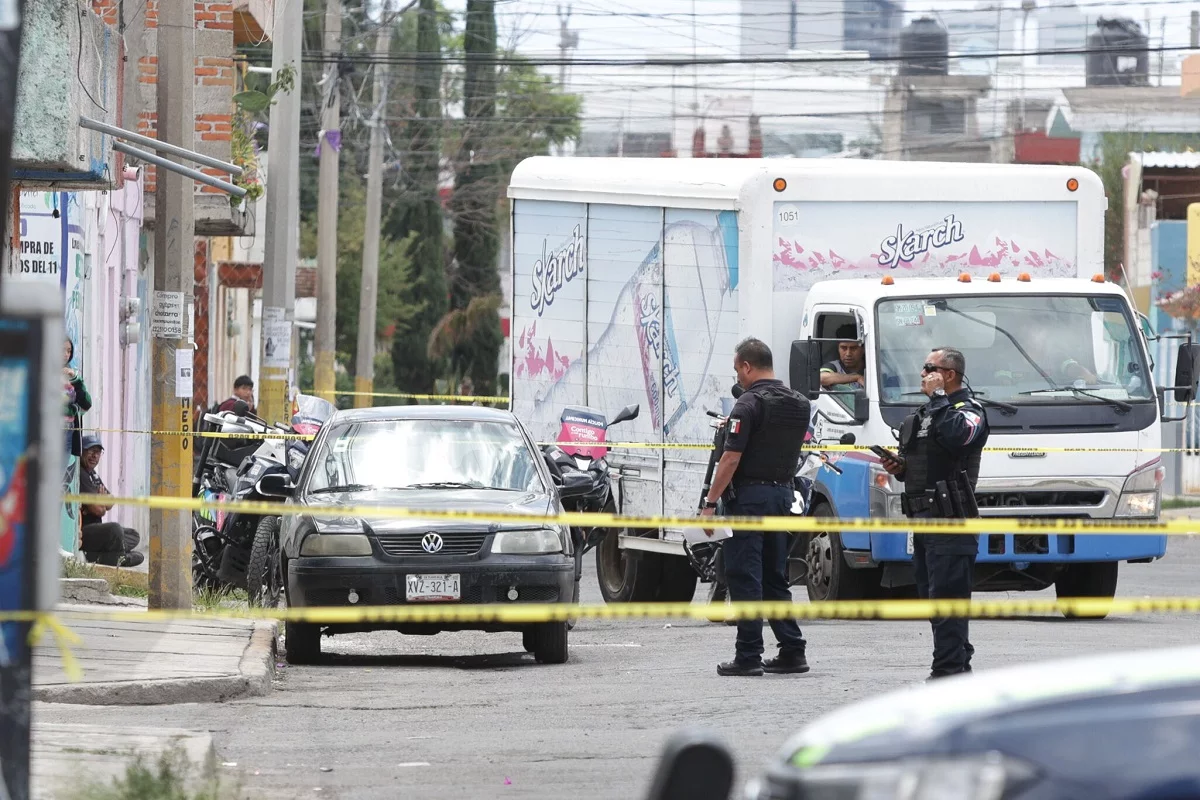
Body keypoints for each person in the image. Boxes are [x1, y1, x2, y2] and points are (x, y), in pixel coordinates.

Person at [701, 337, 811, 677]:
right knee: (774, 577)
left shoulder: (748, 403)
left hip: (749, 500)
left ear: (747, 366)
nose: (737, 377)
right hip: (782, 496)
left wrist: (709, 503)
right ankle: (792, 650)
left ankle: (748, 655)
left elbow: (731, 459)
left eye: (738, 370)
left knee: (744, 575)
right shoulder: (799, 403)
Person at [880, 347, 989, 680]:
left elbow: (960, 436)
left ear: (949, 374)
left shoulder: (969, 411)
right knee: (935, 599)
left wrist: (940, 398)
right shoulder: (924, 415)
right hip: (923, 521)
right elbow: (918, 465)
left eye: (929, 368)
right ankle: (958, 663)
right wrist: (899, 467)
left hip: (952, 520)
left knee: (947, 600)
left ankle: (947, 672)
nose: (922, 374)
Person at [78, 434, 144, 567]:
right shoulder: (81, 473)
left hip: (97, 530)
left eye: (98, 452)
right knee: (115, 529)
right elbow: (99, 510)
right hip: (85, 532)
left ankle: (107, 555)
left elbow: (111, 501)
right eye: (91, 451)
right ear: (82, 451)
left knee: (133, 535)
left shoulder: (93, 474)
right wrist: (101, 504)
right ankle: (117, 557)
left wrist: (99, 502)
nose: (94, 456)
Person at [63, 338, 91, 458]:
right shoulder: (44, 371)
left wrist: (74, 379)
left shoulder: (73, 375)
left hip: (67, 428)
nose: (66, 354)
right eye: (62, 350)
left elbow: (86, 404)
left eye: (69, 351)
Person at [819, 324, 866, 392]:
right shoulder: (834, 366)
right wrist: (856, 377)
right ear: (838, 348)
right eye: (843, 348)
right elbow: (821, 378)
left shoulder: (872, 368)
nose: (848, 354)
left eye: (853, 348)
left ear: (863, 349)